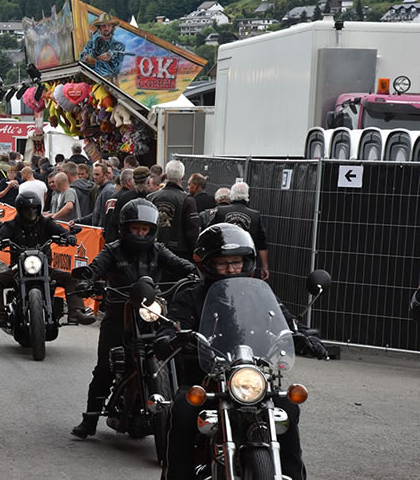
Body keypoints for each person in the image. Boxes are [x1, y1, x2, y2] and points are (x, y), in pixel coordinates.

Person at [154, 223, 309, 480]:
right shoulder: (190, 296)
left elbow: (284, 318)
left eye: (236, 262)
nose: (231, 268)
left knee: (288, 408)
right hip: (205, 380)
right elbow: (174, 324)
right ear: (207, 263)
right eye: (223, 263)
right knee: (182, 410)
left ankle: (293, 475)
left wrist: (302, 334)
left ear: (246, 261)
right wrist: (169, 337)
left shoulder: (260, 294)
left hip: (252, 377)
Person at [71, 199, 196, 439]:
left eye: (144, 229)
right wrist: (88, 280)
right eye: (135, 228)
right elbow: (96, 267)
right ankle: (89, 420)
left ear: (152, 230)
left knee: (177, 357)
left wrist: (193, 273)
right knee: (105, 369)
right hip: (120, 313)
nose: (140, 233)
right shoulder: (113, 249)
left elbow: (180, 265)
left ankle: (178, 416)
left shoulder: (158, 250)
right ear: (125, 228)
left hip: (153, 313)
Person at [0, 192, 95, 326]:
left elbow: (60, 230)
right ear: (20, 209)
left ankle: (76, 311)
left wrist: (68, 236)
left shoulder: (46, 222)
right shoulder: (11, 225)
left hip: (44, 267)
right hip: (18, 268)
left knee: (71, 278)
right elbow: (1, 235)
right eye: (27, 209)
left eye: (34, 208)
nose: (31, 212)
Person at [210, 181, 270, 280]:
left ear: (231, 195)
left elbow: (209, 235)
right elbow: (262, 244)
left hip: (223, 259)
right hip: (245, 260)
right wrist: (265, 267)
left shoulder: (220, 212)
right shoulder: (255, 215)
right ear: (247, 196)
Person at [148, 160, 201, 264]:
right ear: (183, 177)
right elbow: (192, 231)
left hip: (153, 251)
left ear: (166, 175)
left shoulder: (151, 197)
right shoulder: (187, 200)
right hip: (179, 254)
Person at [104, 166, 151, 243]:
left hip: (126, 240)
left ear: (134, 181)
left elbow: (115, 221)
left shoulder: (124, 197)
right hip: (147, 240)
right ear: (148, 181)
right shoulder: (152, 197)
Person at [79, 13, 125, 81]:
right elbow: (81, 59)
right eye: (103, 26)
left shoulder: (119, 46)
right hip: (92, 80)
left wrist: (97, 61)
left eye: (109, 26)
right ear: (99, 27)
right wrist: (92, 59)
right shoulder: (91, 43)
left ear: (112, 28)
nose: (106, 28)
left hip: (109, 82)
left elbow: (116, 69)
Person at [73, 162, 114, 227]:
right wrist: (78, 221)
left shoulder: (107, 191)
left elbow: (104, 216)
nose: (94, 177)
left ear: (105, 175)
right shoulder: (99, 189)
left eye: (97, 174)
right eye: (94, 174)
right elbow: (95, 214)